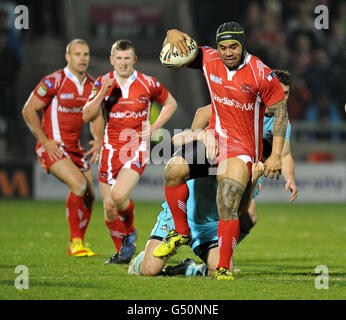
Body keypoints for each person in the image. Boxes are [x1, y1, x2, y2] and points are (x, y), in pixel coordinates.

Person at [128, 69, 298, 277]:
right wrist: (201, 135)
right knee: (148, 270)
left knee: (234, 241)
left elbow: (242, 208)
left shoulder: (253, 162)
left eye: (286, 93)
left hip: (210, 223)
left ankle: (191, 267)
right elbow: (179, 138)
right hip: (183, 214)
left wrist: (254, 181)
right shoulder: (239, 111)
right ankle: (146, 256)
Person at [153, 22, 288, 280]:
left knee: (228, 202)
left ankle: (224, 267)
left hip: (243, 149)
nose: (228, 52)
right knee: (173, 170)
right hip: (215, 139)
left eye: (233, 47)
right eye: (223, 47)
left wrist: (276, 155)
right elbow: (182, 50)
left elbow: (280, 112)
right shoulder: (209, 58)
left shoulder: (261, 73)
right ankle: (181, 232)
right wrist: (170, 32)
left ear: (242, 45)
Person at [82, 39, 178, 265]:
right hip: (109, 147)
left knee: (117, 196)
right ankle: (124, 251)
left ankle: (130, 232)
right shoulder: (103, 83)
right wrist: (101, 93)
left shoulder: (148, 83)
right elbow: (87, 115)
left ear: (134, 60)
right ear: (112, 60)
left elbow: (171, 104)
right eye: (119, 58)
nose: (123, 63)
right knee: (108, 209)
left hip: (135, 148)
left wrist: (154, 128)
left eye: (127, 58)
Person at [22, 39, 102, 257]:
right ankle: (75, 242)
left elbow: (96, 116)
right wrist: (45, 141)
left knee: (90, 195)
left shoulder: (92, 85)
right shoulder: (54, 81)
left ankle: (78, 243)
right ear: (68, 57)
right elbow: (28, 110)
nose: (82, 58)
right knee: (78, 185)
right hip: (54, 147)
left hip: (76, 149)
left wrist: (97, 138)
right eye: (77, 54)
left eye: (85, 54)